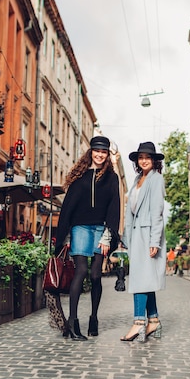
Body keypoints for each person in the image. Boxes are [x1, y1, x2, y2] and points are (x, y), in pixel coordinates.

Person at [54, 135, 121, 341]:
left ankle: (94, 317)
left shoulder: (111, 177)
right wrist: (64, 236)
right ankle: (73, 322)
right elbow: (68, 208)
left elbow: (114, 207)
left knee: (95, 275)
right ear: (90, 151)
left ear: (107, 154)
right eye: (97, 151)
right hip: (80, 228)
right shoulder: (79, 177)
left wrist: (108, 236)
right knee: (81, 270)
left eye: (104, 152)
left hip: (101, 229)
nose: (100, 155)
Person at [120, 141, 166, 342]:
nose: (144, 160)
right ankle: (153, 320)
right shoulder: (138, 179)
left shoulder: (156, 179)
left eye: (148, 157)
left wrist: (154, 241)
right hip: (136, 236)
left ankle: (139, 322)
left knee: (139, 280)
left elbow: (157, 211)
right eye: (141, 157)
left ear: (154, 160)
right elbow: (130, 210)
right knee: (144, 279)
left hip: (148, 236)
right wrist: (126, 238)